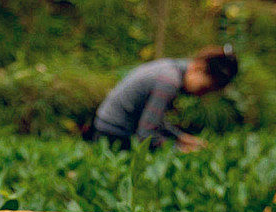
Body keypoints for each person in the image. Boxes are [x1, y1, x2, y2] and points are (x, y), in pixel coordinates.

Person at [89, 44, 238, 152]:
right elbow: (145, 136)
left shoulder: (171, 68)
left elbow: (152, 120)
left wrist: (180, 137)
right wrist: (181, 150)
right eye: (204, 88)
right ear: (198, 67)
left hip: (107, 128)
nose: (202, 95)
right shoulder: (168, 81)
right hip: (112, 136)